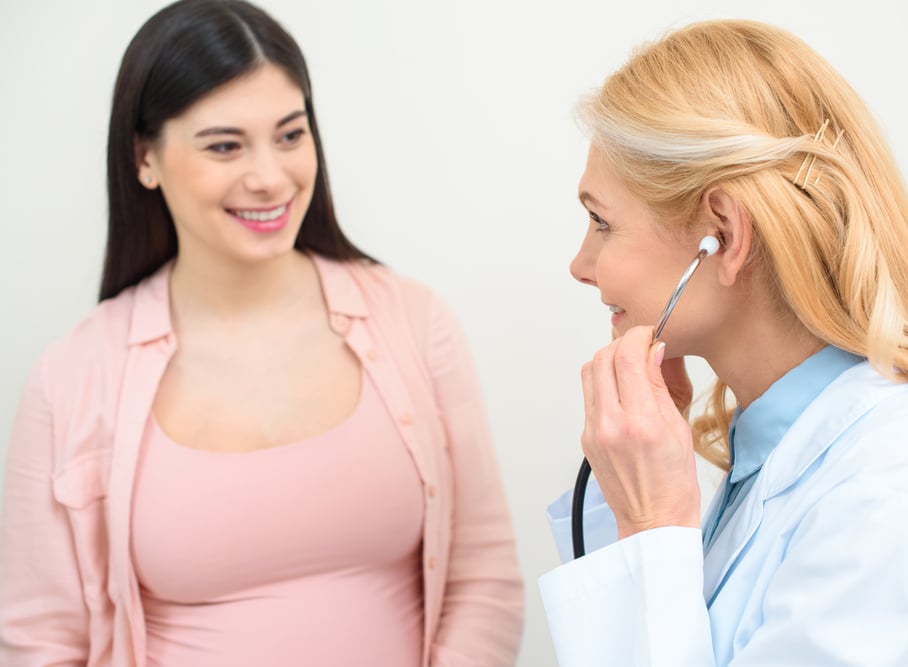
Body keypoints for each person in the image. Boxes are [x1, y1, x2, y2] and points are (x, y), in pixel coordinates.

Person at [0, 1, 523, 665]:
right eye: (224, 145)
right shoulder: (71, 376)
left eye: (289, 135)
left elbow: (484, 580)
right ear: (145, 158)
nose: (270, 177)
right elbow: (42, 643)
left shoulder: (414, 321)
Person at [539, 19, 908, 666]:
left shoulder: (884, 494)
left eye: (600, 222)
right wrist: (629, 513)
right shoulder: (781, 458)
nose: (581, 265)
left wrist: (652, 527)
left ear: (722, 235)